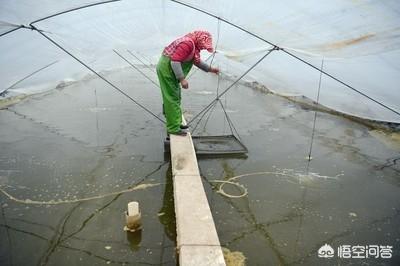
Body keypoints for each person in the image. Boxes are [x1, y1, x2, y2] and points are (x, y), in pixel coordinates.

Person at [157, 30, 219, 136]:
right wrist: (182, 79)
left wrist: (211, 69)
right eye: (203, 46)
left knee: (176, 97)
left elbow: (197, 62)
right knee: (172, 98)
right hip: (167, 71)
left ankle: (175, 122)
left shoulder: (193, 46)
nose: (203, 48)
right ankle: (173, 128)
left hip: (170, 72)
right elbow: (175, 61)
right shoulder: (187, 44)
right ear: (200, 40)